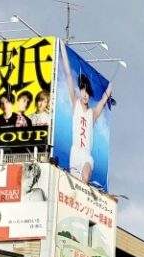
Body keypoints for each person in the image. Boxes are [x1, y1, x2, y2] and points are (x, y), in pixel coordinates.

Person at [58, 38, 113, 184]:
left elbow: (102, 101)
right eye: (83, 92)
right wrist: (62, 49)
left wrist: (110, 87)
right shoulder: (75, 103)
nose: (85, 95)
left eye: (87, 93)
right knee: (74, 185)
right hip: (74, 155)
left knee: (85, 177)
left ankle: (88, 183)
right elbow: (69, 76)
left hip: (86, 156)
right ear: (80, 91)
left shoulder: (92, 114)